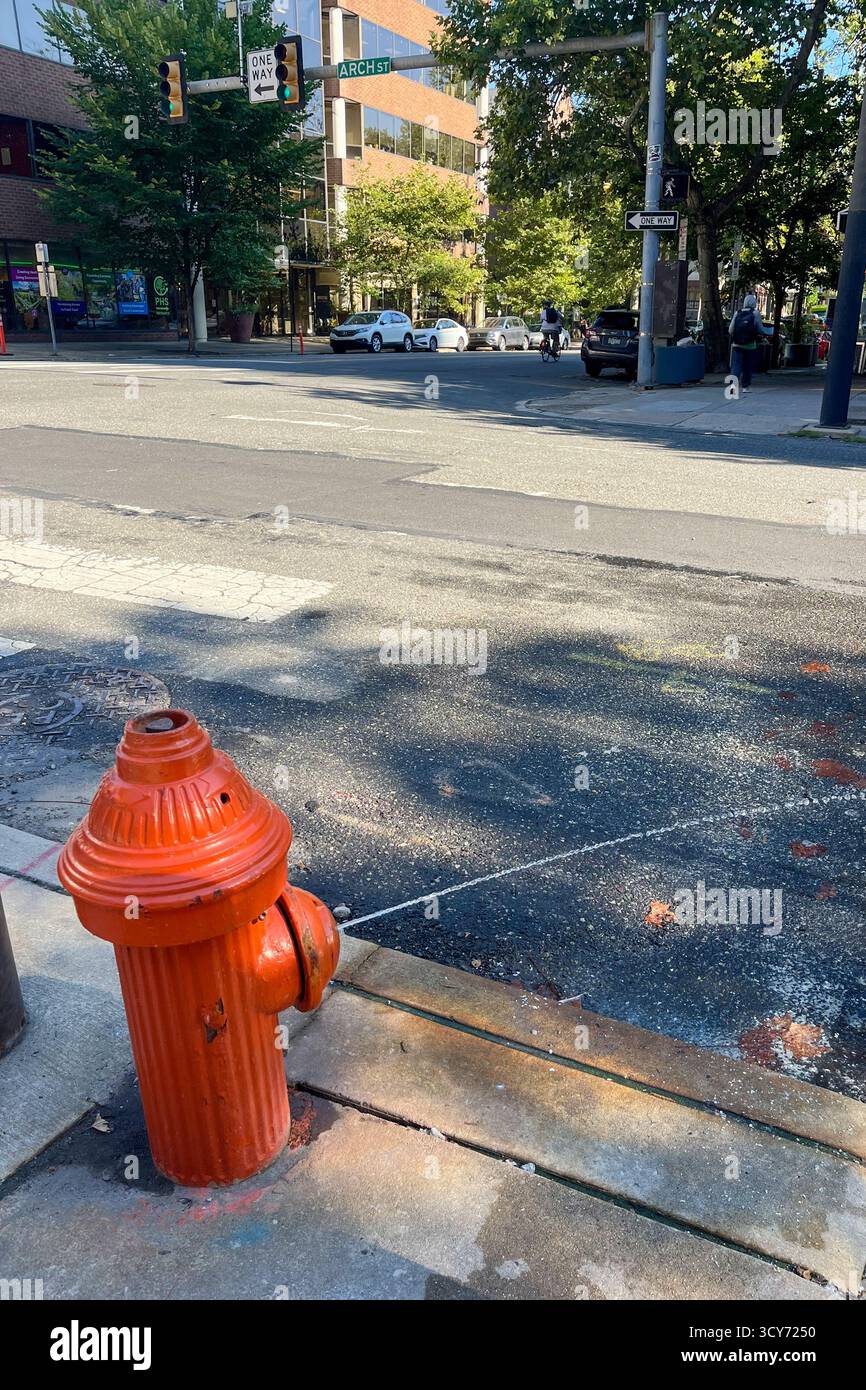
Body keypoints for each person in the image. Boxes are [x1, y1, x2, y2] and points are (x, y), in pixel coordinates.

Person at [729, 292, 764, 392]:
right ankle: (745, 386)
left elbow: (730, 329)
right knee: (747, 366)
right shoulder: (755, 313)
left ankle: (733, 386)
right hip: (750, 344)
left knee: (736, 365)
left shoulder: (737, 313)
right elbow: (760, 329)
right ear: (754, 303)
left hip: (737, 343)